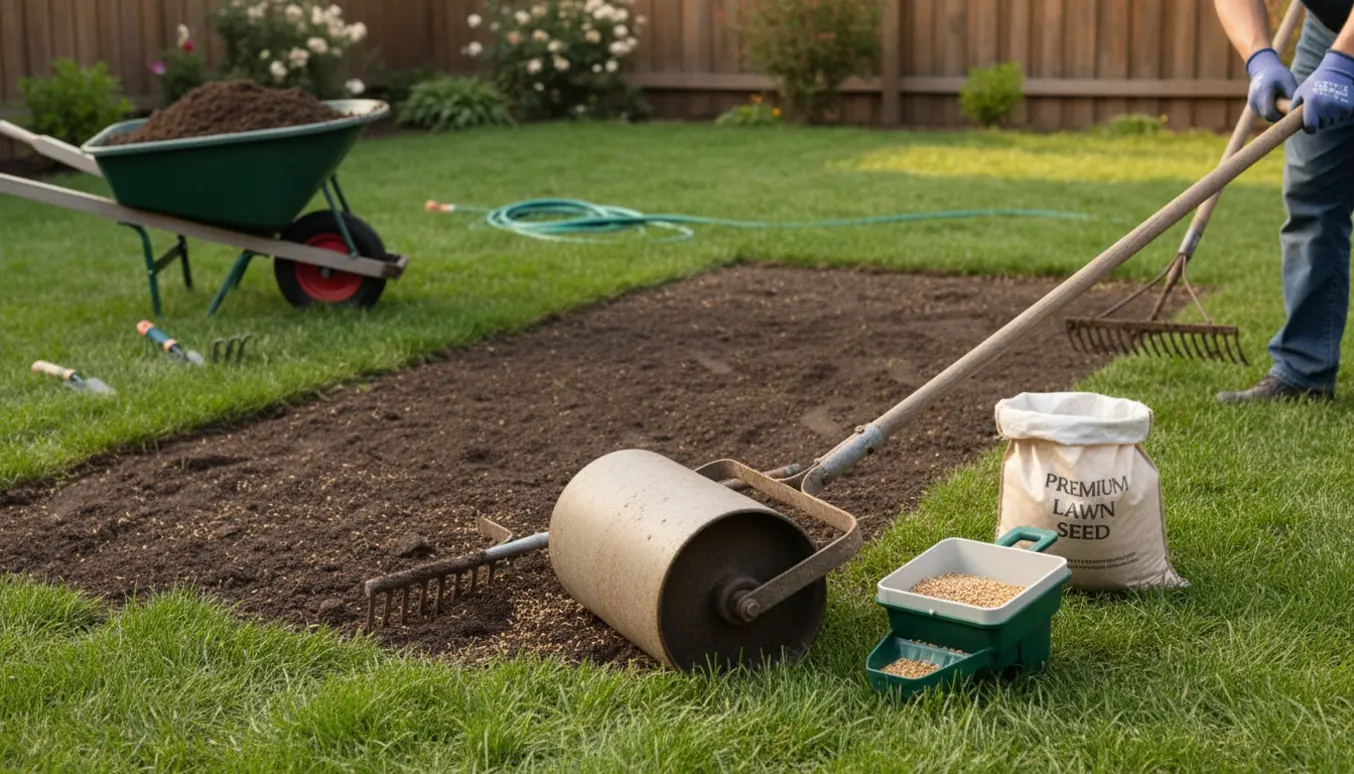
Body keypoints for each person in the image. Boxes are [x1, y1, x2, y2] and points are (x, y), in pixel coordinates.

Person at [1213, 0, 1354, 403]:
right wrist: (1259, 56)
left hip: (1340, 49)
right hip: (1330, 32)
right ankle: (1304, 369)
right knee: (1312, 194)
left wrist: (1345, 61)